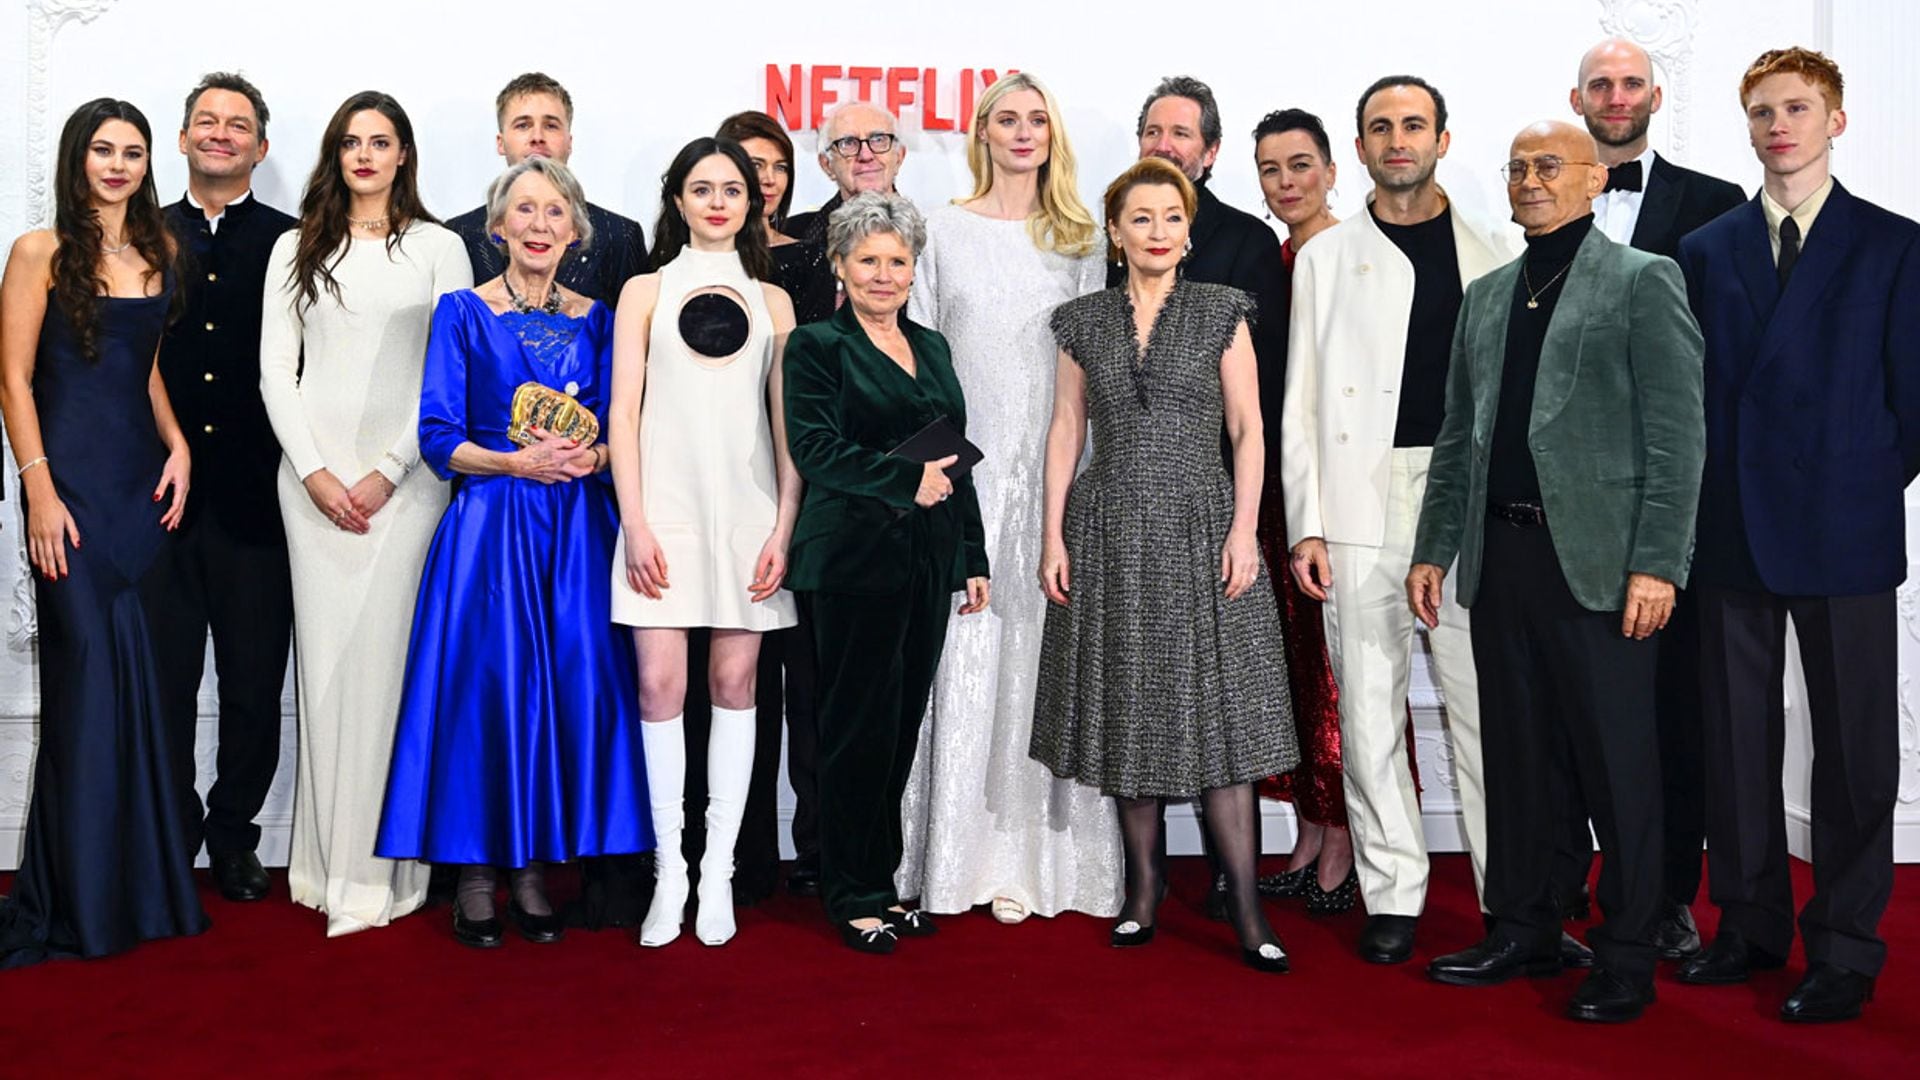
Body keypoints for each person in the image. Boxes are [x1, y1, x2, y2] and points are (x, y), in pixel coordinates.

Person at [1410, 119, 1704, 1024]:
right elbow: (1461, 432)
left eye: (1550, 166)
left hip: (1605, 570)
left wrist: (1658, 563)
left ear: (1592, 178)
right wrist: (1434, 544)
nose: (1532, 180)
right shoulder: (1491, 295)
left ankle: (1625, 953)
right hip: (1504, 563)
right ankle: (1526, 927)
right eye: (1519, 168)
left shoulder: (1643, 280)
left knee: (1621, 771)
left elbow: (1677, 436)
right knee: (1521, 762)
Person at [1676, 47, 1918, 1024]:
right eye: (1764, 110)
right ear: (1746, 125)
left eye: (1799, 107)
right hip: (1731, 524)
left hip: (1845, 526)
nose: (1781, 124)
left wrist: (1855, 480)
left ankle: (1848, 947)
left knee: (1855, 748)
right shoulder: (1708, 248)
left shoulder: (1894, 247)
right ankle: (1749, 924)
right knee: (1736, 741)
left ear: (1837, 121)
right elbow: (1690, 399)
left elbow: (1913, 401)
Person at [374, 157, 652, 949]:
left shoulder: (602, 320)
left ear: (575, 229)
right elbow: (437, 437)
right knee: (484, 694)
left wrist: (587, 461)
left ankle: (533, 871)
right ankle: (473, 876)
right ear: (496, 228)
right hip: (490, 529)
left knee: (563, 694)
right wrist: (514, 462)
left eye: (554, 212)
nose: (538, 225)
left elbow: (617, 431)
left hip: (574, 533)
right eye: (523, 210)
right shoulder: (461, 312)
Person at [1031, 157, 1297, 973]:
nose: (1157, 232)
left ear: (1187, 232)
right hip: (1108, 526)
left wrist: (1245, 528)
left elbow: (1250, 428)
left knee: (1220, 717)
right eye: (1140, 218)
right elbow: (1065, 431)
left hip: (1203, 524)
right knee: (1127, 705)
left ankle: (1247, 910)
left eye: (1171, 218)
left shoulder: (1223, 311)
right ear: (1114, 232)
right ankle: (1143, 895)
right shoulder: (1081, 319)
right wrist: (1052, 537)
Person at [1279, 75, 1505, 966]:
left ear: (1443, 139)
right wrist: (1306, 521)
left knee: (1483, 708)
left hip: (1465, 502)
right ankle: (1394, 889)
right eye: (1382, 127)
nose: (1398, 139)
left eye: (1414, 125)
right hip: (1356, 496)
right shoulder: (1325, 258)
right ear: (1361, 146)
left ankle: (1507, 889)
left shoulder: (1494, 252)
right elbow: (1297, 397)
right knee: (1369, 712)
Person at [895, 72, 1119, 926]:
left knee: (1041, 659)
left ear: (1052, 134)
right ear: (982, 132)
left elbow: (1092, 375)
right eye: (1007, 120)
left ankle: (1039, 862)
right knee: (964, 656)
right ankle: (955, 860)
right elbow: (916, 364)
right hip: (962, 477)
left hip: (1056, 474)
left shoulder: (1081, 239)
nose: (1023, 133)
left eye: (1037, 120)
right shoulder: (941, 230)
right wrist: (937, 477)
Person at [259, 90, 472, 937]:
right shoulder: (293, 247)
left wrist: (386, 472)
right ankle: (321, 867)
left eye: (381, 142)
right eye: (352, 142)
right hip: (311, 488)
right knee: (324, 674)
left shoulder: (441, 248)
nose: (366, 156)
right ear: (335, 155)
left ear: (404, 155)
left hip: (409, 485)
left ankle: (386, 873)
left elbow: (447, 377)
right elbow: (278, 369)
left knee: (388, 677)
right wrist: (314, 472)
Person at [0, 98, 202, 968]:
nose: (117, 165)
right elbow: (11, 378)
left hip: (137, 496)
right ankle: (76, 900)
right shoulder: (38, 253)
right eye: (102, 150)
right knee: (84, 692)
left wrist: (180, 444)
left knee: (142, 691)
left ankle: (141, 891)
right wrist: (38, 492)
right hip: (69, 491)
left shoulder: (160, 253)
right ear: (78, 159)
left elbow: (144, 366)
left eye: (132, 151)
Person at [1558, 37, 1747, 955]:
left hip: (1674, 501)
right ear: (1577, 97)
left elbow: (1724, 365)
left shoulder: (1714, 209)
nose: (1617, 95)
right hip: (1565, 503)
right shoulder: (1545, 197)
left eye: (1631, 83)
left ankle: (1668, 895)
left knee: (1674, 712)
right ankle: (1564, 886)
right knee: (1569, 711)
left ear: (1657, 96)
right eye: (1602, 84)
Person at [783, 192, 990, 954]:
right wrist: (904, 481)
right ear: (839, 265)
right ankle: (854, 892)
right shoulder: (814, 347)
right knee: (854, 732)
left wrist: (971, 556)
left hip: (928, 559)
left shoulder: (933, 347)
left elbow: (954, 457)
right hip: (850, 561)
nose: (882, 274)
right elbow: (815, 450)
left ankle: (883, 880)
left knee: (900, 728)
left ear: (912, 270)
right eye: (867, 259)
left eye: (896, 261)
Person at [608, 137, 799, 948]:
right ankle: (671, 872)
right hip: (661, 515)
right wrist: (636, 521)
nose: (719, 201)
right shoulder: (644, 290)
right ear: (677, 200)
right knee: (658, 689)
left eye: (733, 188)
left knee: (735, 687)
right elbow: (622, 414)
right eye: (701, 188)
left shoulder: (774, 301)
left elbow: (788, 431)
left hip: (750, 516)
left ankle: (717, 870)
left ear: (753, 202)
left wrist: (785, 527)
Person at [1121, 74, 1290, 919]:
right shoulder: (1110, 255)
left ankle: (1237, 884)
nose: (1165, 144)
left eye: (1180, 133)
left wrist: (1243, 522)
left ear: (1210, 151)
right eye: (1152, 129)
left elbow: (1260, 406)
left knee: (1225, 700)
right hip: (1125, 514)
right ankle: (1145, 886)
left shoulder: (1248, 246)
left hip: (1222, 505)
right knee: (1140, 693)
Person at [151, 71, 297, 906]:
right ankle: (170, 834)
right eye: (205, 121)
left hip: (257, 502)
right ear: (182, 140)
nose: (220, 133)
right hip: (158, 504)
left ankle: (235, 836)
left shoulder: (290, 242)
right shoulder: (143, 234)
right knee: (168, 683)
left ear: (260, 147)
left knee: (251, 684)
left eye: (237, 124)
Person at [715, 109, 832, 904]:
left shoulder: (817, 262)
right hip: (719, 493)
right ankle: (740, 858)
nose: (764, 179)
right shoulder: (686, 268)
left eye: (777, 165)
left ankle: (818, 853)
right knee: (733, 685)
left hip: (807, 490)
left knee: (811, 689)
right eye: (746, 165)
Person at [1247, 108, 1353, 914]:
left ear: (1332, 169)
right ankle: (1314, 831)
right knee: (1296, 674)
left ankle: (1349, 842)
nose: (1286, 183)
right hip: (1280, 495)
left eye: (1300, 166)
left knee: (1338, 675)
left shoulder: (1352, 256)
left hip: (1334, 494)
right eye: (1271, 170)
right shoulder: (1272, 257)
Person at [445, 73, 647, 308]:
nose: (537, 137)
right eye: (523, 125)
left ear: (569, 141)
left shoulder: (620, 235)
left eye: (551, 125)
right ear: (501, 142)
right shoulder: (458, 234)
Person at [783, 101, 906, 249]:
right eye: (848, 143)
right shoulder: (790, 237)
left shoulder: (932, 235)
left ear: (899, 156)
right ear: (827, 165)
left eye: (879, 140)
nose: (866, 155)